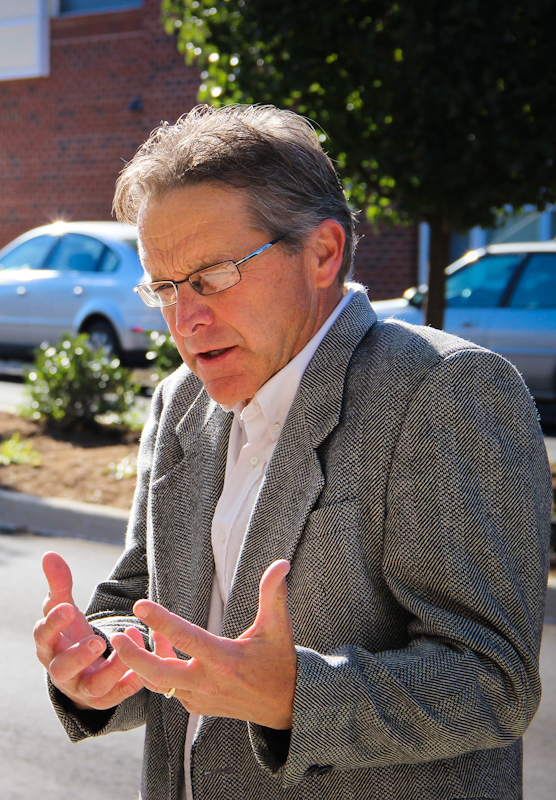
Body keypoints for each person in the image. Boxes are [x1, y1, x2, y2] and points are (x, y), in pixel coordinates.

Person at [33, 105, 550, 799]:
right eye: (163, 288)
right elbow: (140, 599)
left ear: (323, 253)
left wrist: (293, 697)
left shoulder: (447, 390)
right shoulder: (180, 399)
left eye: (212, 277)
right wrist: (99, 658)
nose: (186, 320)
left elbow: (493, 682)